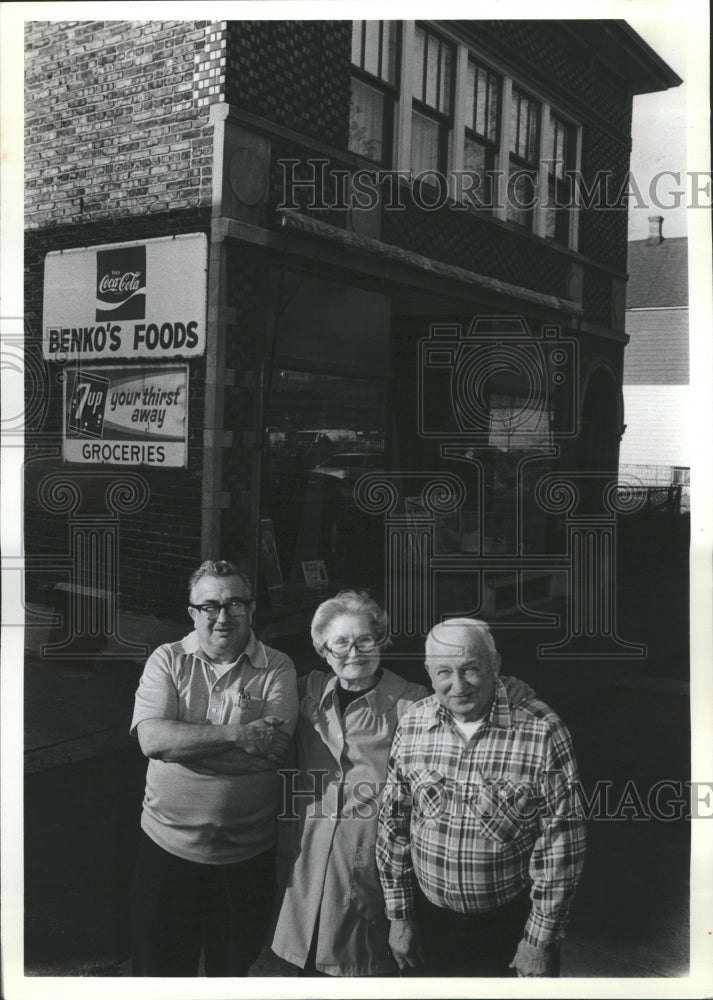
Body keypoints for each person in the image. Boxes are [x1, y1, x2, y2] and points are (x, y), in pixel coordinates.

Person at [270, 592, 532, 976]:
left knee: (364, 971)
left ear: (381, 642)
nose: (353, 652)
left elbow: (466, 699)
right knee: (307, 971)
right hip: (307, 865)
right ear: (323, 650)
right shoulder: (307, 691)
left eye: (365, 640)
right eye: (340, 643)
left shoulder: (411, 702)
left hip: (369, 873)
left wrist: (506, 687)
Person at [376, 617, 586, 978]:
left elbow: (562, 846)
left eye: (471, 669)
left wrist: (537, 941)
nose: (457, 685)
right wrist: (400, 917)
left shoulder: (541, 729)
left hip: (509, 928)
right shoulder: (412, 724)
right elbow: (393, 829)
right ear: (429, 672)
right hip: (428, 924)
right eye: (444, 672)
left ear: (495, 666)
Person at [130, 559, 298, 977]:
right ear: (192, 612)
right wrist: (239, 735)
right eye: (210, 606)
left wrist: (182, 744)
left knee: (231, 972)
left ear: (251, 609)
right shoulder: (166, 660)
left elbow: (273, 749)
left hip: (246, 857)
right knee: (161, 974)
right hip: (167, 849)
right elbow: (152, 741)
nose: (222, 617)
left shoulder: (278, 666)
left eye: (234, 604)